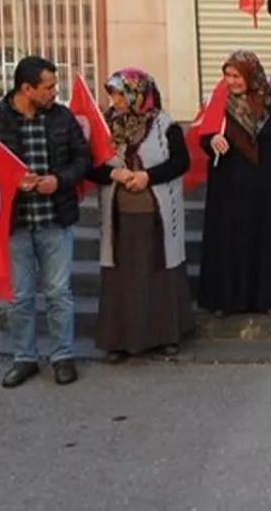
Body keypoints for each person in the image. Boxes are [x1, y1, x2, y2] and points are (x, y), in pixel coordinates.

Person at [0, 56, 90, 388]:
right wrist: (10, 181)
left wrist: (60, 179)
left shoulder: (62, 117)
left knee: (58, 293)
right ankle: (24, 357)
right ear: (26, 88)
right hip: (14, 222)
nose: (55, 92)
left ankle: (62, 356)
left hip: (56, 218)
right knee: (20, 296)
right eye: (49, 86)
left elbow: (82, 159)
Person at [87, 69, 193, 362]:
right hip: (119, 216)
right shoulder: (105, 126)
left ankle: (165, 336)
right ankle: (120, 340)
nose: (116, 100)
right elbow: (89, 166)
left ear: (138, 94)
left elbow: (181, 162)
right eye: (113, 94)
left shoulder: (164, 125)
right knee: (122, 276)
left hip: (156, 214)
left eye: (121, 93)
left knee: (159, 271)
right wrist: (114, 173)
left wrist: (148, 176)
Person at [196, 51, 271, 316]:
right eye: (228, 76)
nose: (232, 81)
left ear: (251, 75)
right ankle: (228, 300)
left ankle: (269, 298)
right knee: (230, 242)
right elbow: (205, 136)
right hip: (229, 188)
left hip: (268, 187)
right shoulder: (219, 102)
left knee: (266, 242)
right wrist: (211, 142)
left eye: (237, 76)